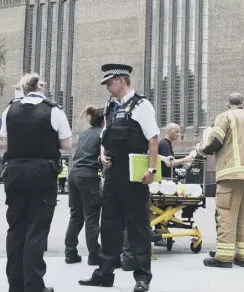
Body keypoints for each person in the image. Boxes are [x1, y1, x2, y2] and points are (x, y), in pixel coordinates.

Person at [79, 64, 159, 292]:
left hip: (134, 174)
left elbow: (153, 138)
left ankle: (142, 278)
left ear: (122, 80)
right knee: (110, 225)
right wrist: (103, 157)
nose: (107, 87)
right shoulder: (110, 107)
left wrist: (151, 171)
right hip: (113, 173)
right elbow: (105, 136)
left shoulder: (142, 105)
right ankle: (104, 274)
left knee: (138, 226)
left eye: (110, 82)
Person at [0, 73, 72, 292]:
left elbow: (4, 143)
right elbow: (67, 145)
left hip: (13, 171)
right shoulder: (53, 110)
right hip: (42, 172)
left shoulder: (9, 109)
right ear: (41, 88)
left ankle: (15, 284)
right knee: (36, 230)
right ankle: (34, 285)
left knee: (16, 229)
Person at [195, 92, 244, 268]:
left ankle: (224, 258)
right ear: (243, 104)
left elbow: (215, 142)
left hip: (231, 174)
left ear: (228, 104)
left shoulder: (225, 116)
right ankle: (243, 257)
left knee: (226, 215)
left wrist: (201, 150)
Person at [64, 106, 104, 265]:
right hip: (88, 176)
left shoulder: (85, 133)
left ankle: (70, 252)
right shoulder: (103, 134)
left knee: (76, 215)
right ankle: (94, 255)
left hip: (74, 174)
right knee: (92, 217)